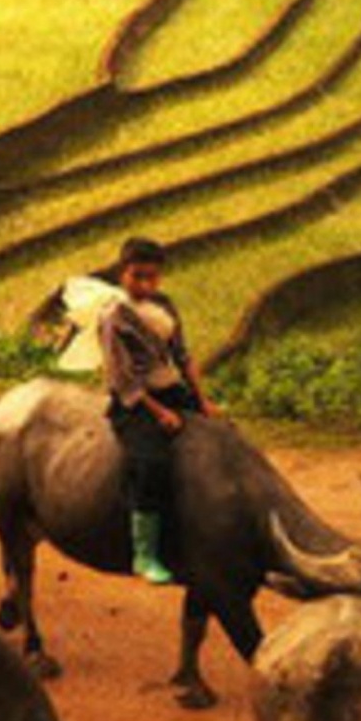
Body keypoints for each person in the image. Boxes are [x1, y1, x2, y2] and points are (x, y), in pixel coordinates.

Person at [97, 235, 212, 586]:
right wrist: (159, 412)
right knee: (151, 463)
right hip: (137, 402)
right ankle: (143, 553)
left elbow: (183, 355)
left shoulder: (165, 305)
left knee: (221, 438)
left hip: (172, 389)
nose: (145, 285)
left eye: (152, 277)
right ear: (122, 274)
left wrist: (202, 398)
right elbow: (123, 378)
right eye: (137, 277)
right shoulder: (113, 317)